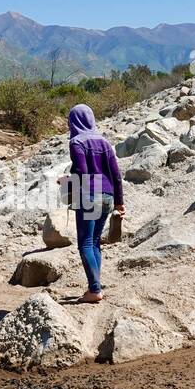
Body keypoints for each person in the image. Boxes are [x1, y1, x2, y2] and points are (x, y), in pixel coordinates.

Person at [66, 104, 124, 303]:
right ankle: (95, 286)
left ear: (73, 121)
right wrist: (119, 202)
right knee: (96, 241)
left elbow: (82, 173)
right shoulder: (104, 142)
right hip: (107, 193)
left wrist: (66, 181)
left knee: (85, 243)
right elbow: (116, 175)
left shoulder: (76, 142)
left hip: (89, 194)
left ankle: (95, 290)